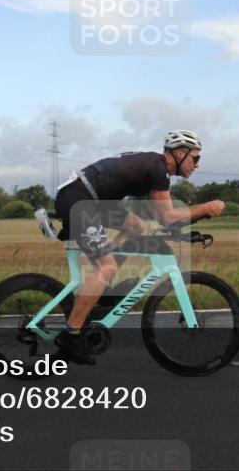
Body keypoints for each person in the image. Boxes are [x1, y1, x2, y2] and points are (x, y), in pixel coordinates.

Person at [53, 129, 226, 364]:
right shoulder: (158, 169)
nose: (197, 165)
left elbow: (162, 216)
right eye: (196, 158)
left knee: (135, 225)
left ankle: (103, 289)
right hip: (80, 200)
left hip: (89, 199)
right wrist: (206, 208)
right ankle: (70, 335)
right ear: (180, 153)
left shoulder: (154, 167)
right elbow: (168, 217)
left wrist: (188, 224)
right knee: (107, 267)